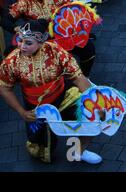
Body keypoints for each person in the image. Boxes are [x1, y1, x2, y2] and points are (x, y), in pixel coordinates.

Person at [0, 19, 102, 164]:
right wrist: (21, 112)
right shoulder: (11, 62)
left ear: (41, 42)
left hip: (63, 96)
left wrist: (94, 103)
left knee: (89, 121)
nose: (22, 46)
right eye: (20, 41)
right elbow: (4, 88)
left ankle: (79, 152)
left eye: (28, 43)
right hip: (36, 108)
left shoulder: (57, 52)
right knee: (40, 151)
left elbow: (78, 78)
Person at [1, 0, 97, 77]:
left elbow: (72, 13)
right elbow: (5, 21)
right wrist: (17, 29)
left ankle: (85, 77)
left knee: (88, 47)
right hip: (37, 41)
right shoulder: (24, 2)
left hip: (61, 36)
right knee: (9, 52)